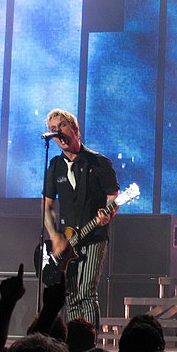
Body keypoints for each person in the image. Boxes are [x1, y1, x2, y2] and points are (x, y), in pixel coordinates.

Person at [43, 109, 119, 332]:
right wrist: (54, 236)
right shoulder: (54, 166)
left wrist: (108, 215)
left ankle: (89, 343)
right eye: (52, 130)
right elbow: (47, 206)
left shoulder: (99, 162)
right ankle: (74, 343)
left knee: (86, 291)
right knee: (71, 293)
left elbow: (114, 198)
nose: (58, 133)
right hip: (66, 241)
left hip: (93, 235)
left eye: (62, 126)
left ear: (75, 129)